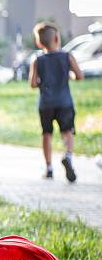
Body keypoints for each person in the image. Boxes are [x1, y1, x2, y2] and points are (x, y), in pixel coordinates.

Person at [29, 22, 83, 182]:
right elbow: (79, 76)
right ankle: (67, 156)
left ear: (39, 42)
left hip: (45, 103)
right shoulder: (67, 56)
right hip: (65, 102)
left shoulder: (37, 59)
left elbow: (32, 83)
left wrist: (42, 82)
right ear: (57, 38)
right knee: (67, 132)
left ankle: (49, 169)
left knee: (47, 134)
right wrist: (69, 75)